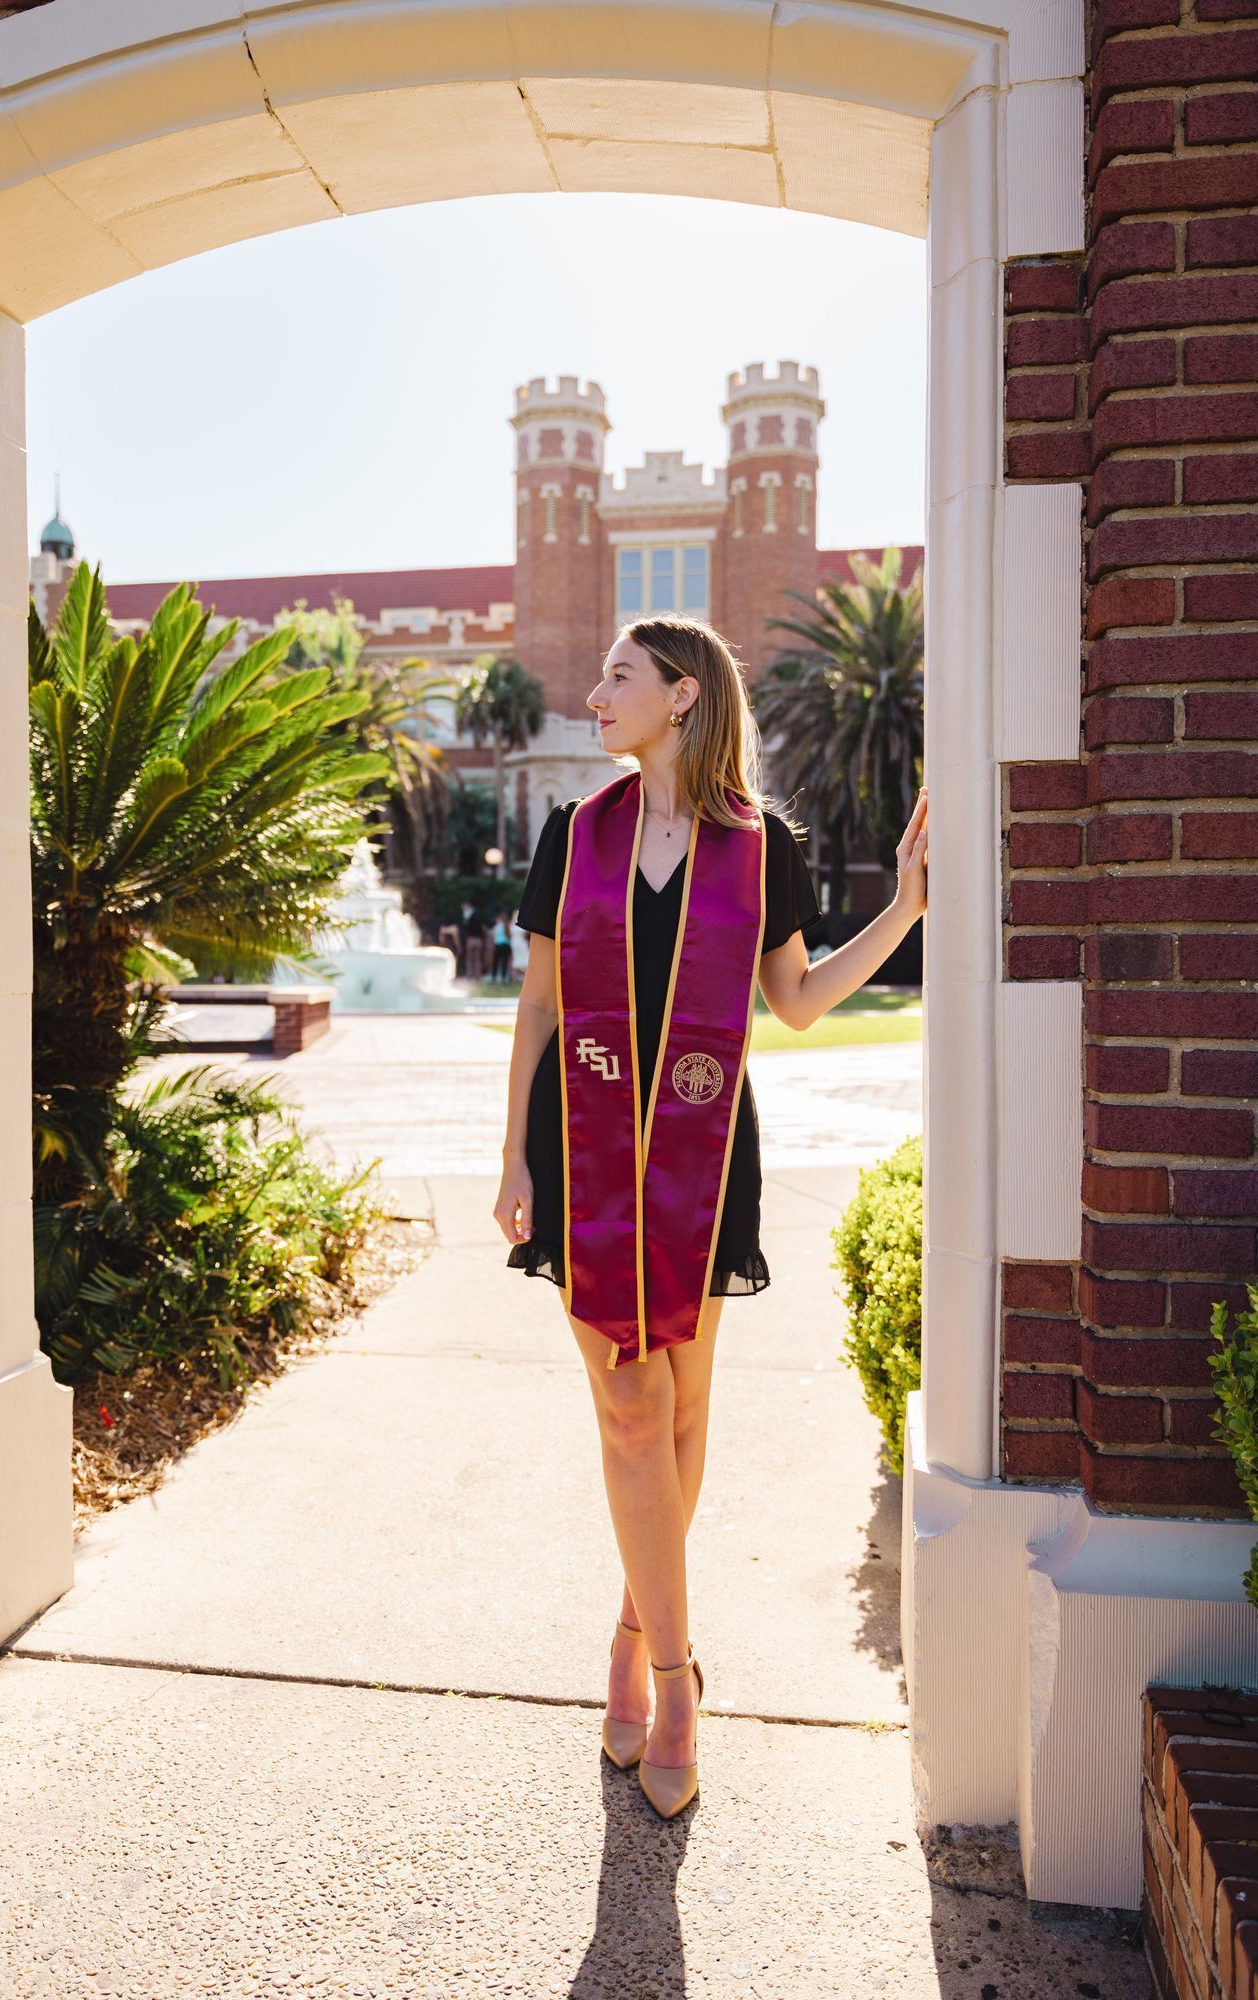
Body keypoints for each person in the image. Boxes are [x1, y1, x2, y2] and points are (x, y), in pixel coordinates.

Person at [492, 614, 927, 1821]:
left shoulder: (758, 845)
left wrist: (901, 912)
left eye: (618, 676)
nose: (594, 693)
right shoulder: (572, 835)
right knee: (629, 1404)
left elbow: (791, 1000)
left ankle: (633, 1635)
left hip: (701, 1153)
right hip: (582, 1157)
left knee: (679, 1406)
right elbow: (536, 1006)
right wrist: (514, 1154)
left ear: (683, 696)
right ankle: (679, 1680)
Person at [491, 911, 513, 983]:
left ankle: (494, 978)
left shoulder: (496, 927)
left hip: (498, 945)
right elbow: (510, 937)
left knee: (495, 962)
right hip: (506, 946)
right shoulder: (507, 926)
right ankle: (503, 978)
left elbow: (494, 936)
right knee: (505, 962)